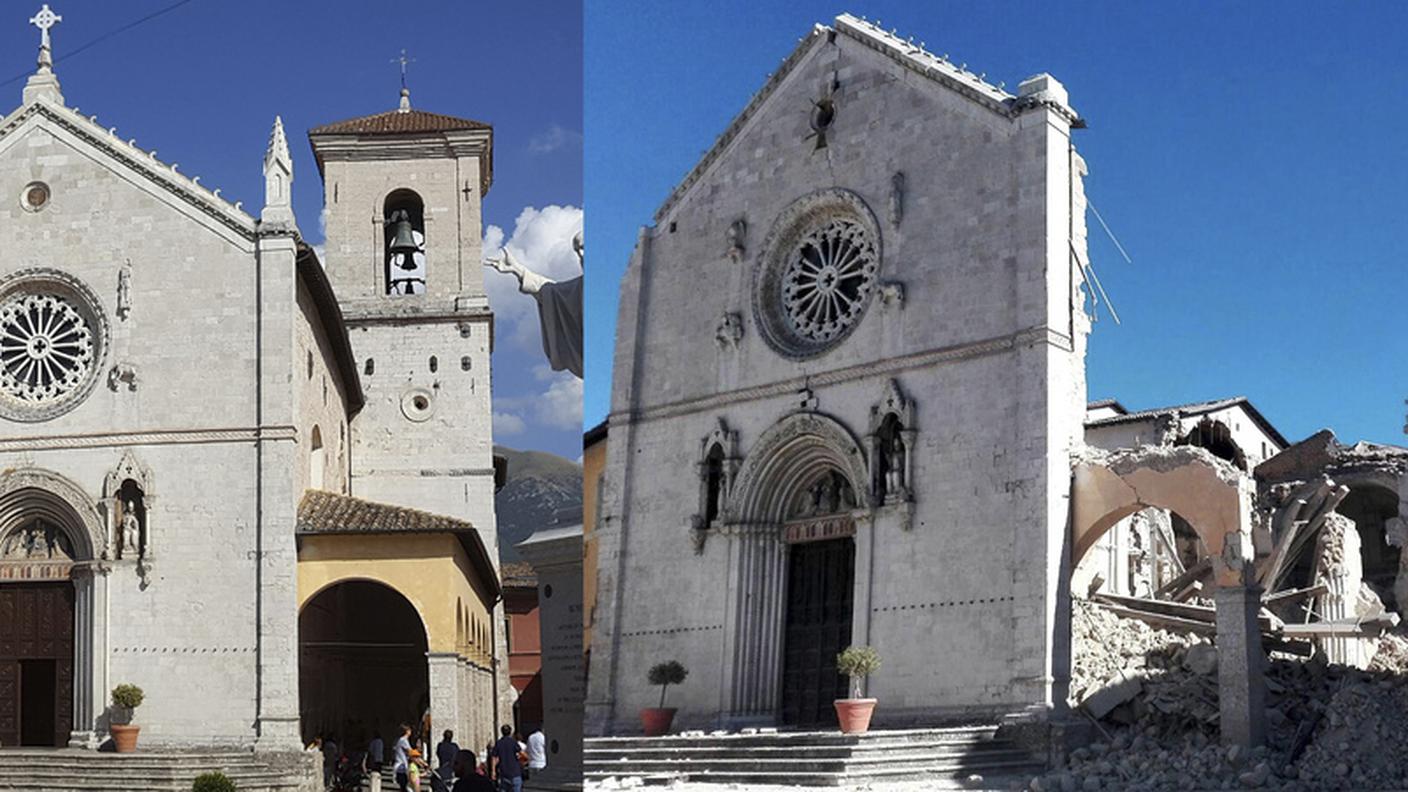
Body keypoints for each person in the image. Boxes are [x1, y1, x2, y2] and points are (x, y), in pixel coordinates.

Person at [490, 725, 524, 792]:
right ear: (510, 732)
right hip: (515, 773)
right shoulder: (513, 742)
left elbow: (494, 757)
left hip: (504, 773)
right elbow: (522, 754)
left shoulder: (499, 743)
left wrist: (493, 771)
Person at [393, 723, 414, 792]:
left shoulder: (401, 740)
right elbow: (410, 752)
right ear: (407, 731)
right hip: (401, 766)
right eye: (410, 730)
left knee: (403, 788)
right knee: (404, 787)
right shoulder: (403, 740)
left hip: (401, 766)